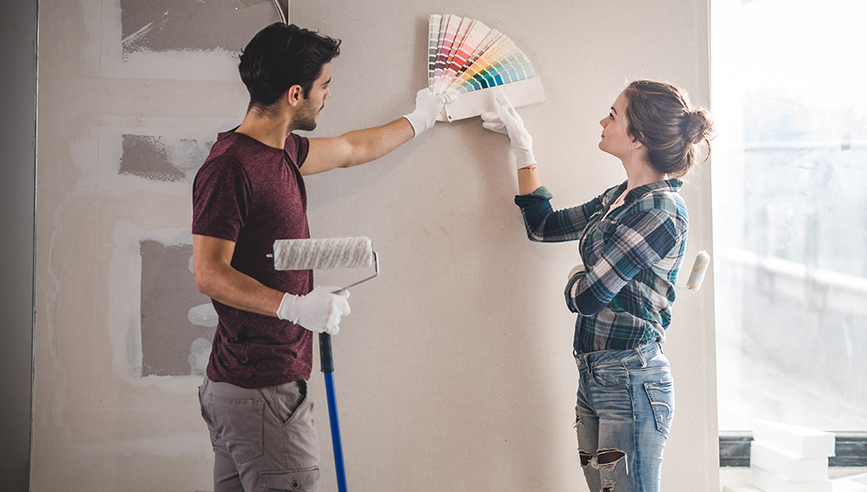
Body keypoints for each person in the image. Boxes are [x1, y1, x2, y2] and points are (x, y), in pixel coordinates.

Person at [191, 22, 452, 492]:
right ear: (296, 94)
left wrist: (422, 118)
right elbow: (209, 272)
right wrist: (293, 306)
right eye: (324, 86)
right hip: (263, 393)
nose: (328, 95)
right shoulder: (231, 166)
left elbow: (353, 148)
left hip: (244, 390)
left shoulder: (281, 151)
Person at [481, 81, 714, 492]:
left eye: (613, 114)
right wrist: (523, 148)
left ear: (637, 136)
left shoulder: (661, 210)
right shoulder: (620, 197)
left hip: (631, 377)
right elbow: (543, 226)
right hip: (594, 374)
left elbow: (589, 298)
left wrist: (575, 279)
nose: (603, 121)